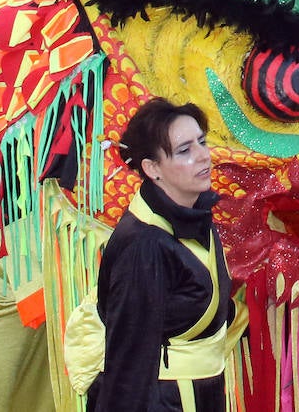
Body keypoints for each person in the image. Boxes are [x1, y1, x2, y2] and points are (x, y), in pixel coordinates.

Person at [89, 97, 232, 411]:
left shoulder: (195, 211)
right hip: (164, 400)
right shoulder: (145, 245)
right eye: (184, 150)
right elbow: (128, 361)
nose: (203, 157)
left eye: (202, 142)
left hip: (201, 392)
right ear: (152, 168)